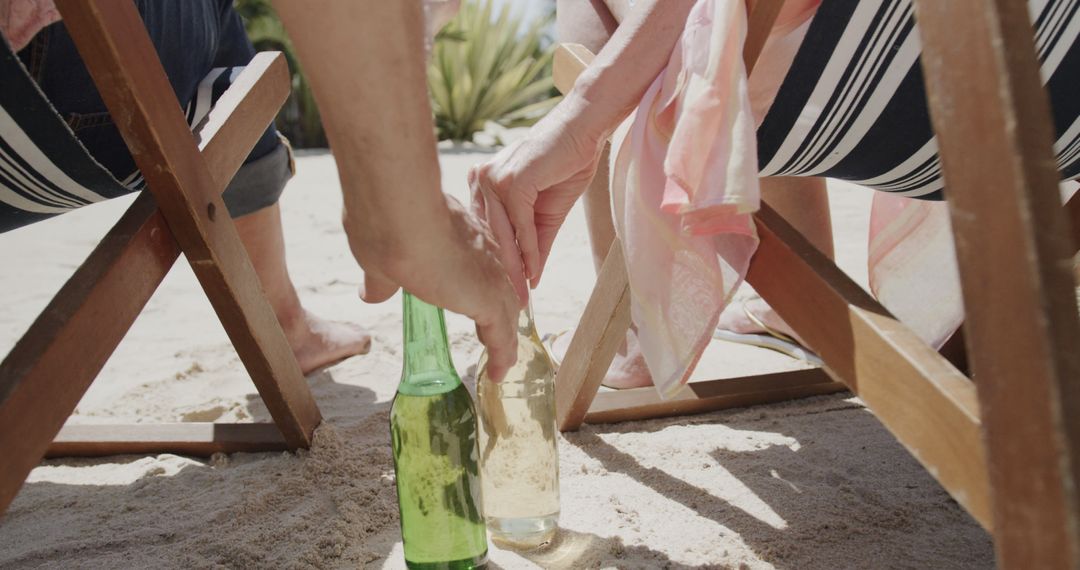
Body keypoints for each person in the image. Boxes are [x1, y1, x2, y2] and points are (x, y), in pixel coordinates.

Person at [469, 0, 1080, 393]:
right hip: (1051, 116)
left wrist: (581, 117)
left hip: (871, 106)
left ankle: (635, 335)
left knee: (721, 34)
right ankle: (789, 311)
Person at [1, 0, 522, 380]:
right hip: (42, 95)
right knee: (220, 34)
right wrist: (410, 215)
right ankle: (285, 324)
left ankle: (285, 325)